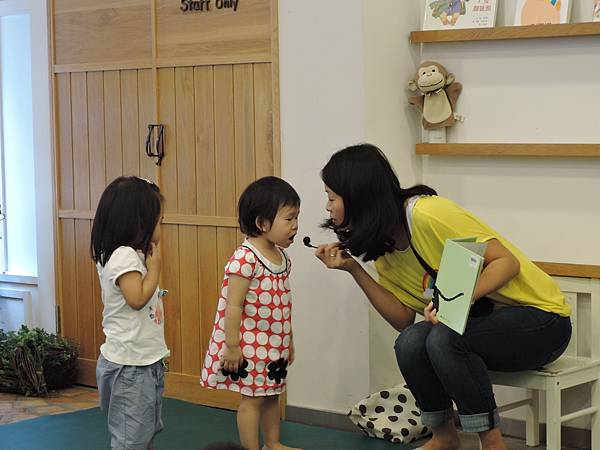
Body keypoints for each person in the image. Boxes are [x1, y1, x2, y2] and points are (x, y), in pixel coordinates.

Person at [313, 143, 571, 450]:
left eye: (331, 197)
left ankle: (491, 442)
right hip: (485, 327)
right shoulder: (383, 247)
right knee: (411, 342)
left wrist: (454, 302)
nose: (328, 207)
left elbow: (507, 263)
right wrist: (354, 270)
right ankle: (444, 436)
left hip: (544, 321)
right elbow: (402, 320)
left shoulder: (427, 214)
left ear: (358, 196)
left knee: (443, 338)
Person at [200, 176, 301, 450]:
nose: (295, 225)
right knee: (253, 399)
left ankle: (273, 443)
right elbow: (233, 306)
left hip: (273, 343)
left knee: (272, 394)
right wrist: (232, 346)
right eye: (289, 219)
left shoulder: (282, 257)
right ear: (262, 223)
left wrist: (288, 340)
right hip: (249, 345)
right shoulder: (245, 258)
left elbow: (283, 305)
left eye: (296, 218)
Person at [90, 176, 169, 450]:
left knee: (142, 433)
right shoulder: (123, 255)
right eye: (160, 221)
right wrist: (156, 268)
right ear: (139, 223)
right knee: (130, 439)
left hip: (143, 362)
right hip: (129, 367)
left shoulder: (129, 254)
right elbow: (136, 299)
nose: (162, 228)